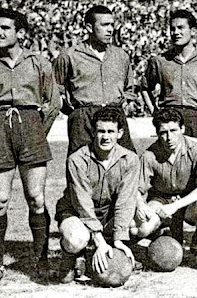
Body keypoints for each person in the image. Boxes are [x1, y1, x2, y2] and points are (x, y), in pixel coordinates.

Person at [0, 8, 60, 288]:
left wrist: (38, 132)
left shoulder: (39, 63)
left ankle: (41, 260)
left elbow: (53, 103)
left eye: (5, 28)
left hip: (31, 127)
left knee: (36, 198)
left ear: (20, 32)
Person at [55, 107, 138, 284]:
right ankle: (70, 256)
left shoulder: (130, 159)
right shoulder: (77, 159)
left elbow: (126, 200)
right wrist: (99, 239)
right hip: (76, 211)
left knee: (140, 224)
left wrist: (119, 239)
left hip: (107, 213)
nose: (105, 137)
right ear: (93, 132)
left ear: (120, 133)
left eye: (110, 131)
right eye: (101, 131)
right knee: (77, 238)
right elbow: (82, 202)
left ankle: (95, 254)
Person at [131, 108, 197, 270]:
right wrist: (141, 205)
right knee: (142, 228)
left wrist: (175, 206)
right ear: (157, 132)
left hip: (188, 201)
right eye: (163, 132)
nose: (169, 137)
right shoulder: (150, 155)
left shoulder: (196, 150)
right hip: (161, 200)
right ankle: (156, 239)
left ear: (182, 129)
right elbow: (136, 188)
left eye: (173, 130)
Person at [54, 5, 136, 155]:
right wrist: (74, 112)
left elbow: (129, 88)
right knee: (80, 166)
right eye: (104, 25)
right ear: (89, 27)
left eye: (112, 24)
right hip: (83, 118)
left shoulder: (121, 56)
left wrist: (122, 103)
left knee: (126, 163)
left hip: (115, 115)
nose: (110, 29)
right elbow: (55, 88)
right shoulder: (70, 55)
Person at [141, 9, 197, 138]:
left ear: (193, 31)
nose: (176, 32)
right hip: (169, 118)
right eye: (172, 29)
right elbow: (145, 87)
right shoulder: (160, 61)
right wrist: (154, 111)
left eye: (181, 28)